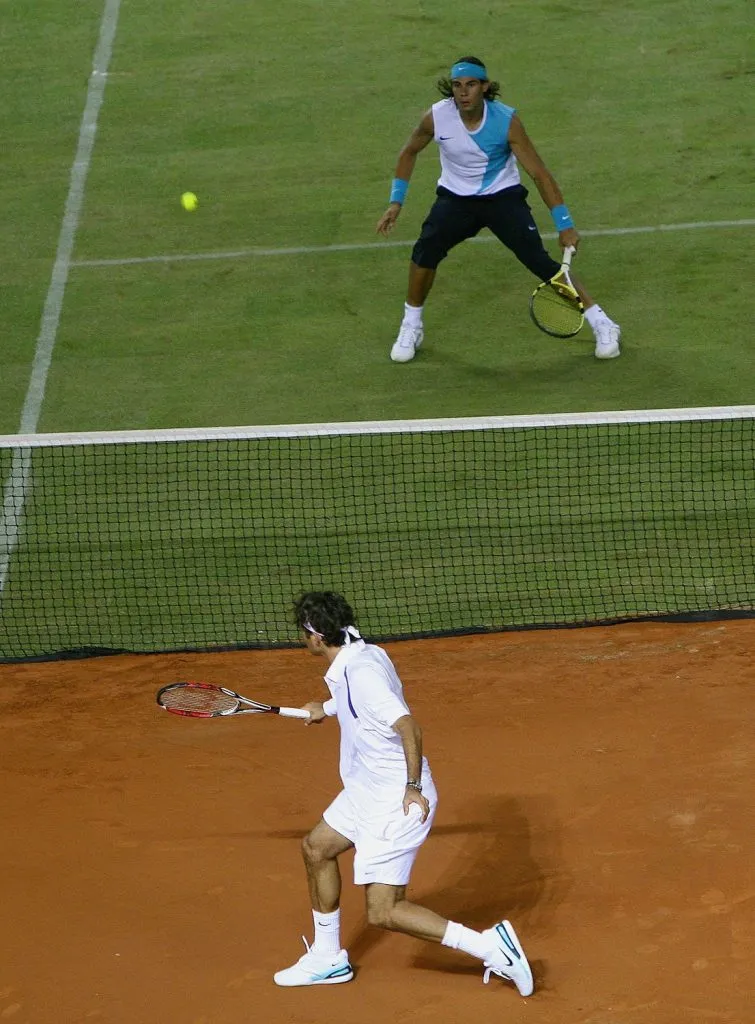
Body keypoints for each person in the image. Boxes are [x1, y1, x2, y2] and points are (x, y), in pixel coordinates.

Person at [273, 590, 534, 997]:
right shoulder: (361, 654)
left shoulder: (362, 672)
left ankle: (491, 947)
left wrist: (411, 789)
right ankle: (328, 958)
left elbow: (409, 726)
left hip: (396, 799)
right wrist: (326, 707)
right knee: (316, 848)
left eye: (302, 633)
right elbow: (360, 704)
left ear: (315, 636)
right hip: (365, 789)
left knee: (384, 910)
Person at [376, 56, 621, 363]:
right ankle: (411, 324)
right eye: (457, 86)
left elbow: (540, 174)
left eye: (471, 85)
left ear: (485, 87)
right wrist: (396, 202)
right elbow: (409, 152)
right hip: (455, 199)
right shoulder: (436, 118)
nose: (463, 93)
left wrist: (565, 224)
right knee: (425, 250)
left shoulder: (506, 121)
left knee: (538, 260)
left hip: (502, 198)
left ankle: (603, 323)